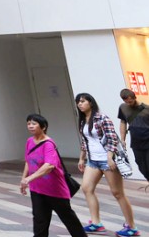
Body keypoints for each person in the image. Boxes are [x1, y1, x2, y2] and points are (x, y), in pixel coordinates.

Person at [75, 92, 139, 235]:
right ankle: (96, 223)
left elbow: (112, 139)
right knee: (86, 188)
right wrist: (81, 158)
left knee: (117, 193)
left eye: (83, 101)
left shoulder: (102, 118)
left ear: (90, 103)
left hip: (107, 160)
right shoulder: (82, 120)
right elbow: (85, 142)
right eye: (78, 102)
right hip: (93, 160)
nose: (80, 104)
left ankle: (132, 227)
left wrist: (110, 157)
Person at [19, 113, 85, 237]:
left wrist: (29, 178)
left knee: (68, 218)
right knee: (39, 221)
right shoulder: (29, 141)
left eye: (34, 123)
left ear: (43, 127)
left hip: (54, 190)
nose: (30, 126)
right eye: (28, 123)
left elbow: (49, 166)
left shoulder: (48, 144)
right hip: (37, 189)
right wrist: (24, 179)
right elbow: (28, 161)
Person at [118, 89, 149, 181]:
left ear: (135, 98)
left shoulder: (147, 109)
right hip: (136, 142)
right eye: (126, 102)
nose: (129, 104)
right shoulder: (123, 108)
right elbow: (123, 123)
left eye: (130, 101)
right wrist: (122, 139)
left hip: (148, 140)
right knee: (141, 165)